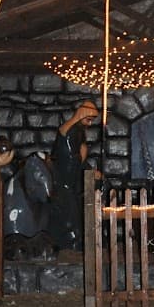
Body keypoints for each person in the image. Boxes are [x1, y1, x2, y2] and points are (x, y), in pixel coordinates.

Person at [47, 99, 100, 255]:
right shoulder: (69, 131)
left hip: (71, 183)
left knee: (75, 218)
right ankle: (69, 248)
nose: (89, 124)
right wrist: (80, 158)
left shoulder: (78, 132)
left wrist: (89, 170)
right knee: (70, 221)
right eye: (88, 119)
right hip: (64, 184)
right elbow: (67, 158)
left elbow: (78, 162)